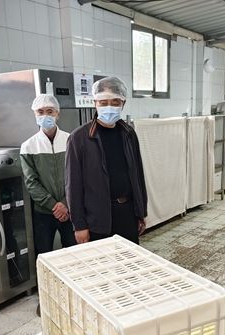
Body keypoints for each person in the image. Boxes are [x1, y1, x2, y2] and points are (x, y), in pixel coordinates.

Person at [65, 76, 147, 244]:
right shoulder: (79, 138)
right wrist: (79, 225)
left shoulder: (128, 133)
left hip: (127, 213)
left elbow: (138, 176)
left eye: (115, 102)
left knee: (128, 258)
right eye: (103, 102)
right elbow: (73, 185)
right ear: (95, 103)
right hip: (97, 219)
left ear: (123, 103)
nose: (109, 107)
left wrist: (141, 212)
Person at [20, 94, 76, 255]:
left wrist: (65, 204)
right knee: (44, 255)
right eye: (40, 112)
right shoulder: (28, 146)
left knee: (74, 254)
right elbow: (31, 183)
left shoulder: (71, 140)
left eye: (50, 111)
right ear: (35, 114)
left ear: (58, 113)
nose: (45, 115)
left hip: (71, 210)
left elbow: (77, 177)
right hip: (43, 213)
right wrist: (54, 205)